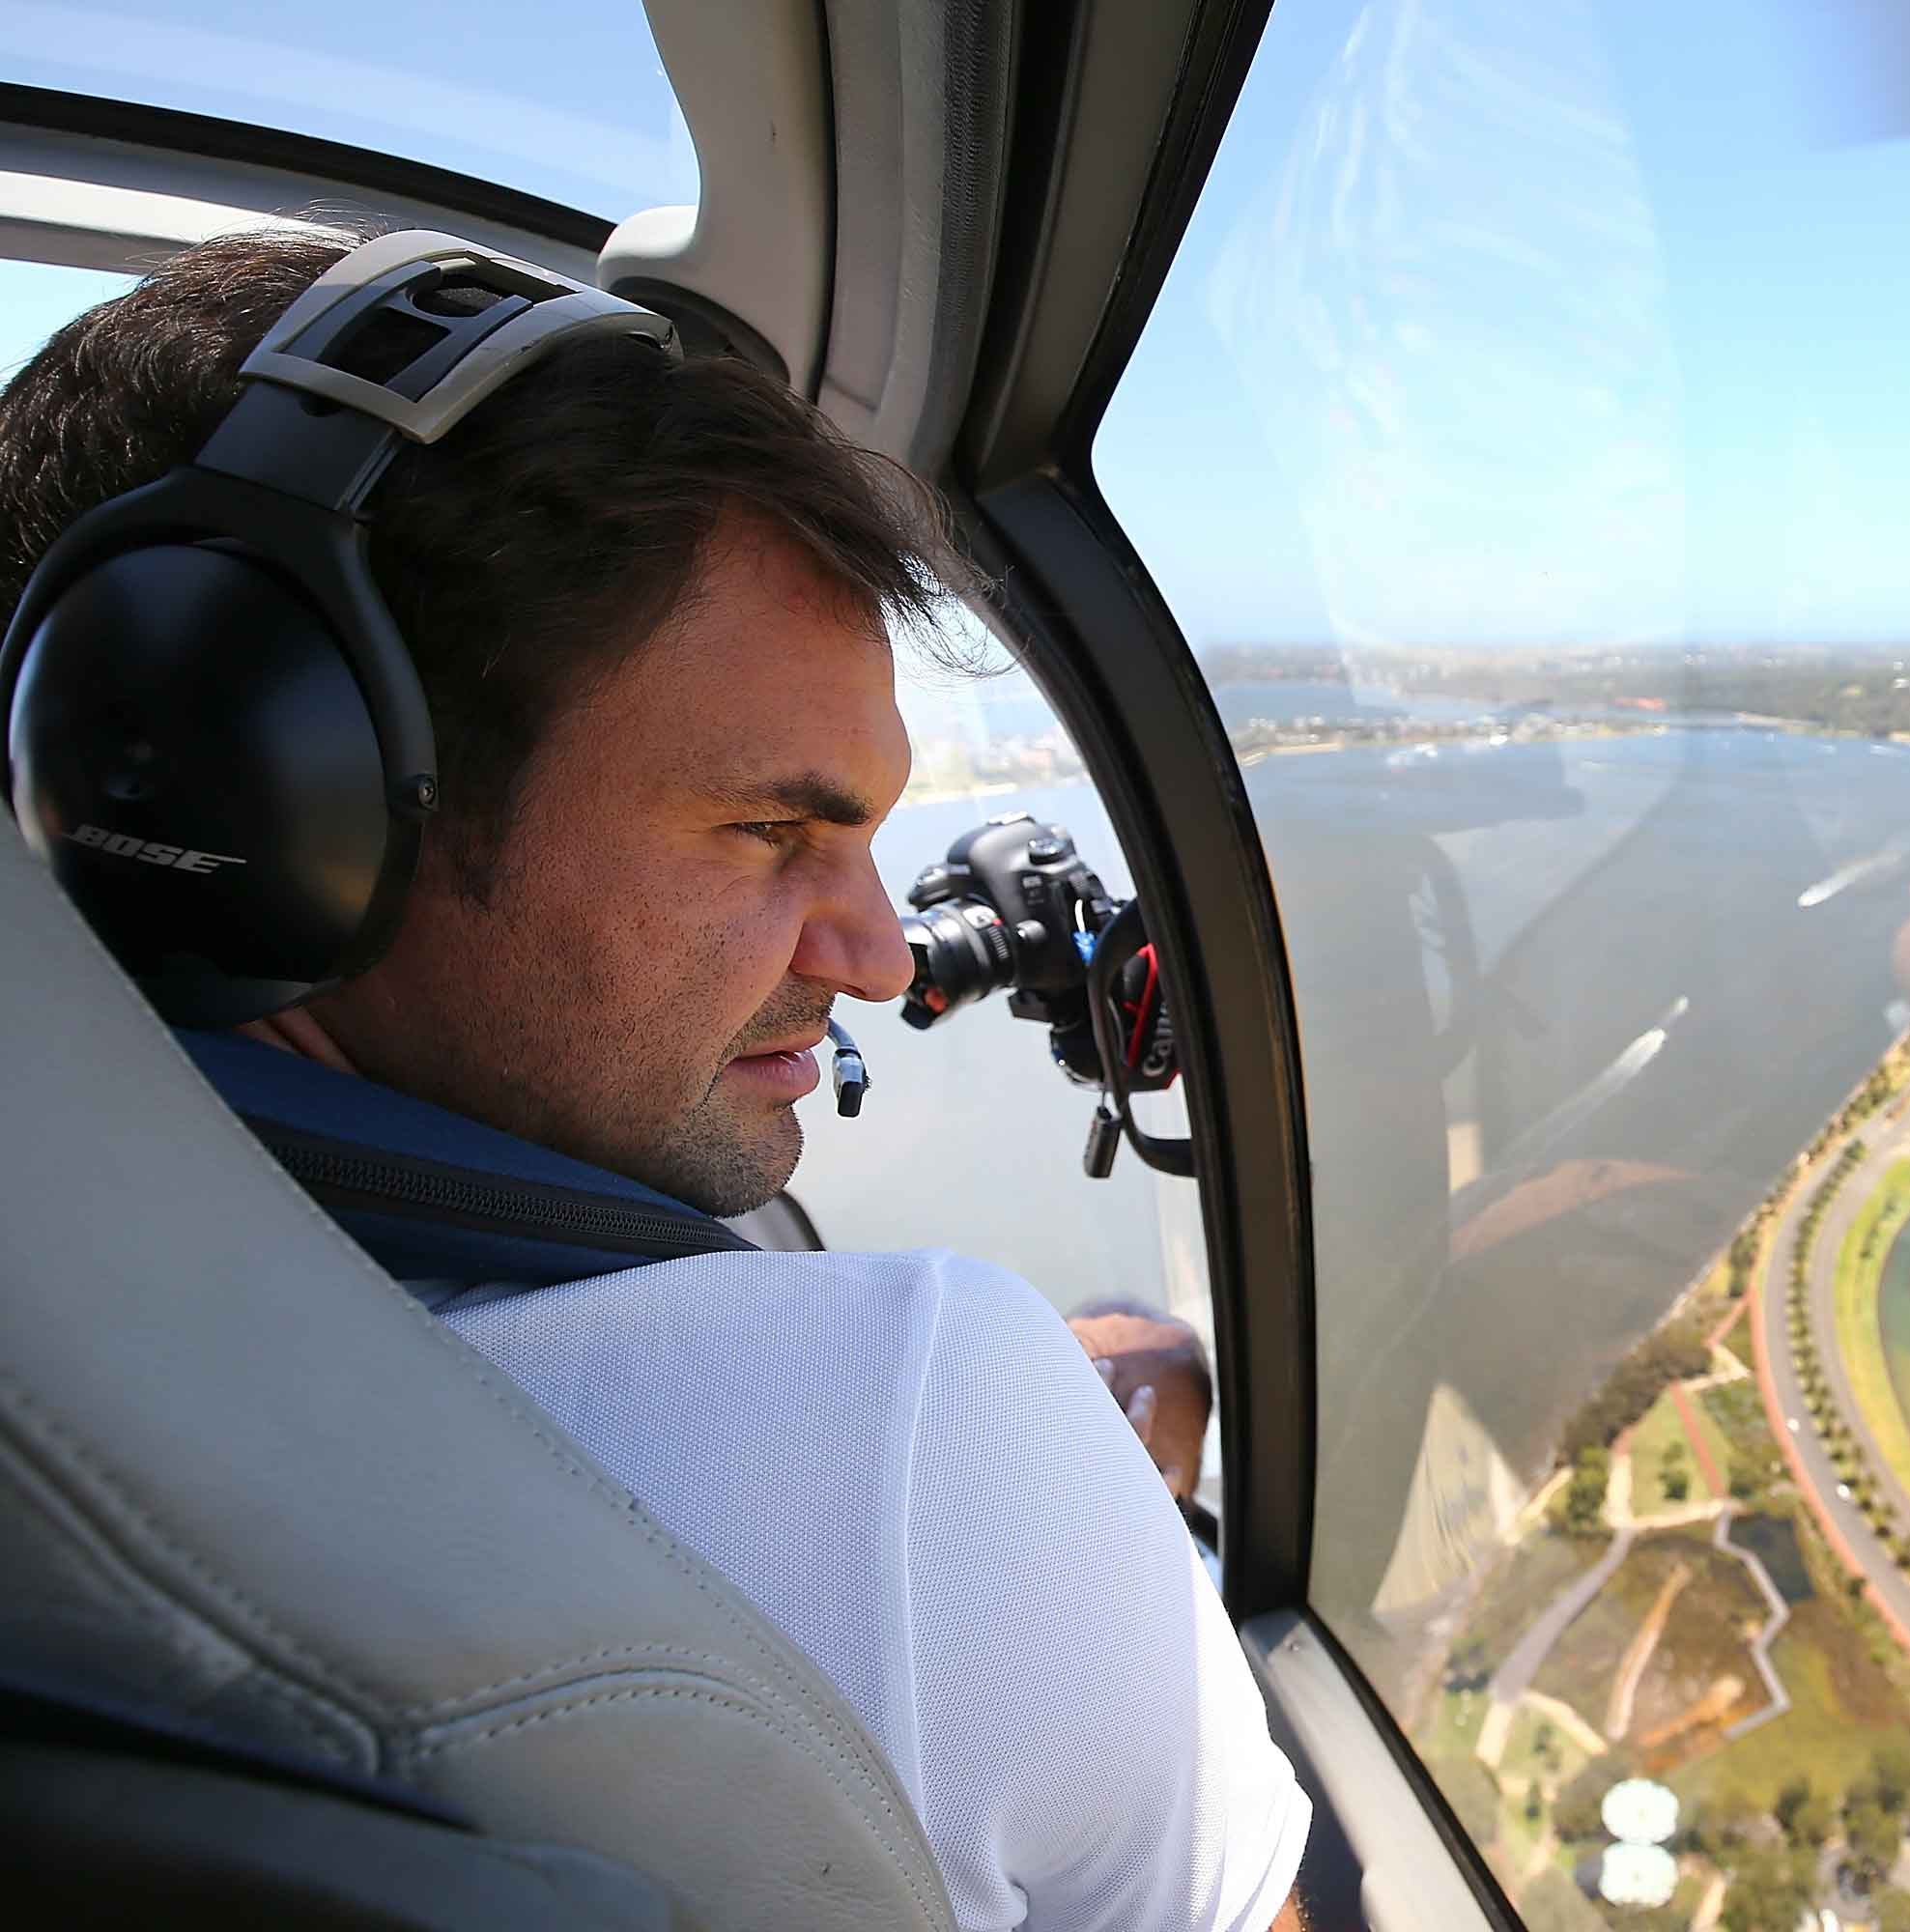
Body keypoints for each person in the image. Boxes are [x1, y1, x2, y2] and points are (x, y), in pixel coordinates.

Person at [0, 229, 1306, 1931]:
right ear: (260, 803)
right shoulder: (917, 1411)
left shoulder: (75, 1346)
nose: (882, 955)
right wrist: (1059, 1526)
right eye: (771, 829)